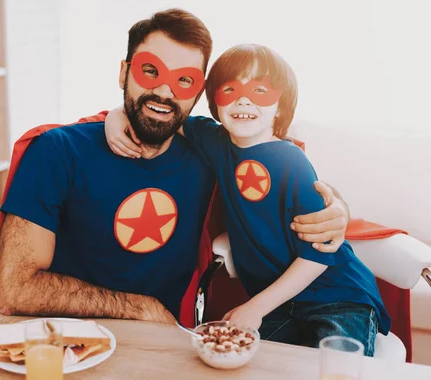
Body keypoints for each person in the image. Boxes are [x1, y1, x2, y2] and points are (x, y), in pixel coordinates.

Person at [0, 9, 350, 328]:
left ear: (199, 94)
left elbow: (279, 172)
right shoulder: (56, 151)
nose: (164, 91)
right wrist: (141, 309)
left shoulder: (210, 155)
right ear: (124, 73)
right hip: (60, 341)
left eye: (184, 80)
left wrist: (337, 209)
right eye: (149, 71)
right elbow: (16, 290)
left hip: (163, 347)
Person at [104, 43, 390, 356]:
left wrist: (254, 308)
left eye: (260, 90)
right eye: (230, 89)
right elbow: (163, 115)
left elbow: (317, 256)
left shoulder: (290, 161)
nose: (243, 99)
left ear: (280, 105)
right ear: (215, 100)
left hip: (337, 296)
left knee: (336, 369)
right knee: (236, 359)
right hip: (280, 305)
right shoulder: (214, 140)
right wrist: (116, 115)